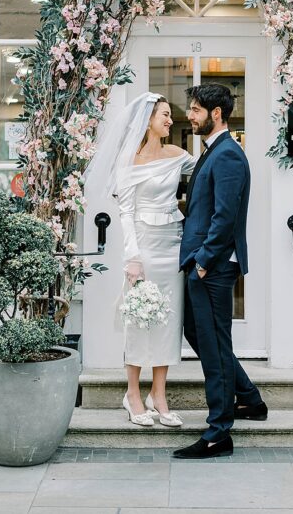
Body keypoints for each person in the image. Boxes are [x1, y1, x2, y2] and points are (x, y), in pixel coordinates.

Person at [173, 83, 269, 460]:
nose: (189, 115)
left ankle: (218, 432)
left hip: (211, 268)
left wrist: (203, 260)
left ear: (216, 113)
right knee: (197, 333)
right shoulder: (214, 151)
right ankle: (249, 399)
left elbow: (224, 217)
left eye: (196, 110)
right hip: (202, 264)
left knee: (213, 347)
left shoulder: (228, 154)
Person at [101, 93, 194, 428]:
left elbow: (208, 171)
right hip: (143, 246)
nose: (171, 120)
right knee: (140, 320)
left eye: (170, 115)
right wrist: (133, 257)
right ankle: (132, 394)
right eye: (165, 115)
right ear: (148, 120)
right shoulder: (129, 160)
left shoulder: (178, 155)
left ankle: (159, 394)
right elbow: (125, 212)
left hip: (173, 245)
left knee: (168, 320)